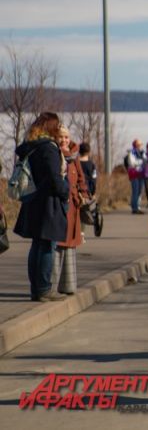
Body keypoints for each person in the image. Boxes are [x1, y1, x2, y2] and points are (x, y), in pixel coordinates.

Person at [13, 112, 70, 302]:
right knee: (47, 244)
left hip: (33, 200)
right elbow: (55, 178)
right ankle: (44, 289)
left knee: (37, 245)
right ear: (52, 128)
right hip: (48, 204)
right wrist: (65, 191)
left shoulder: (32, 147)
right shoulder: (49, 148)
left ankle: (35, 289)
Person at [52, 125, 89, 296]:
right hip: (60, 205)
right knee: (58, 244)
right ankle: (51, 286)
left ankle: (68, 286)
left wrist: (83, 194)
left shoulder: (74, 157)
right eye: (61, 137)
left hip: (74, 206)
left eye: (66, 137)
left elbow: (81, 178)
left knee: (70, 246)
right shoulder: (53, 154)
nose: (64, 140)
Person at [126, 139, 145, 214]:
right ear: (135, 145)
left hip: (141, 173)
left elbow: (146, 160)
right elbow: (132, 163)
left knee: (140, 191)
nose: (140, 146)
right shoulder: (131, 153)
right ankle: (135, 208)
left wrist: (142, 161)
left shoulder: (142, 152)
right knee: (135, 191)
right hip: (134, 174)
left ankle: (137, 206)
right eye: (139, 145)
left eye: (141, 144)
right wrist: (141, 161)